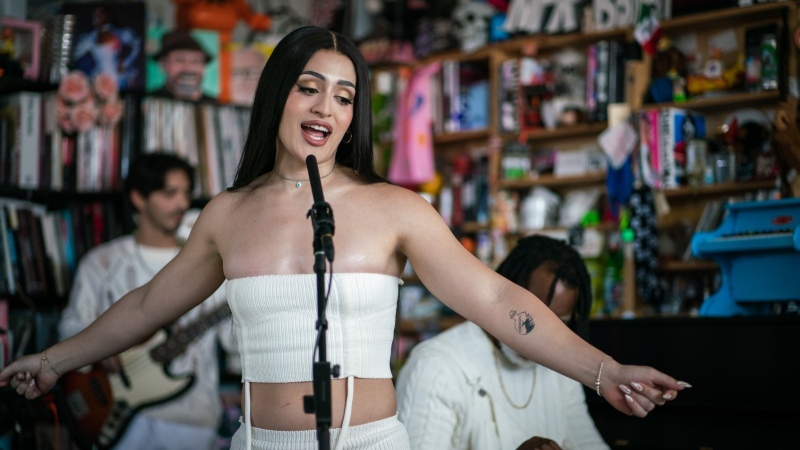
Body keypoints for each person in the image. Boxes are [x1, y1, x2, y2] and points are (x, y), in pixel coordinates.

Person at [0, 26, 690, 450]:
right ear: (279, 95)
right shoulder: (224, 215)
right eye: (309, 88)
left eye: (344, 95)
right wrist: (56, 361)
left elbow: (493, 298)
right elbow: (149, 305)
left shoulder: (397, 209)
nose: (326, 107)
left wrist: (604, 372)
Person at [57, 153, 234, 450]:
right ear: (139, 197)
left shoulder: (209, 265)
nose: (182, 204)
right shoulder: (101, 263)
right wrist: (99, 350)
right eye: (169, 193)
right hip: (118, 416)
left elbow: (233, 343)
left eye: (186, 193)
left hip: (191, 420)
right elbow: (69, 327)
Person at [396, 235, 610, 450]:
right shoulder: (436, 367)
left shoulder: (561, 368)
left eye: (559, 324)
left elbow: (587, 442)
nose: (547, 335)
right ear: (506, 293)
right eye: (535, 319)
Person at [73, 6, 142, 89]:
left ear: (108, 16)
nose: (96, 19)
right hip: (102, 80)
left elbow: (136, 46)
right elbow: (75, 54)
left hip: (120, 79)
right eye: (95, 16)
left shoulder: (121, 33)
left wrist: (125, 62)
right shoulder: (91, 38)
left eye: (100, 15)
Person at [151, 30, 214, 101]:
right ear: (163, 65)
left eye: (196, 61)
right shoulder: (149, 101)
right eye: (180, 60)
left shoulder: (216, 106)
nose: (189, 68)